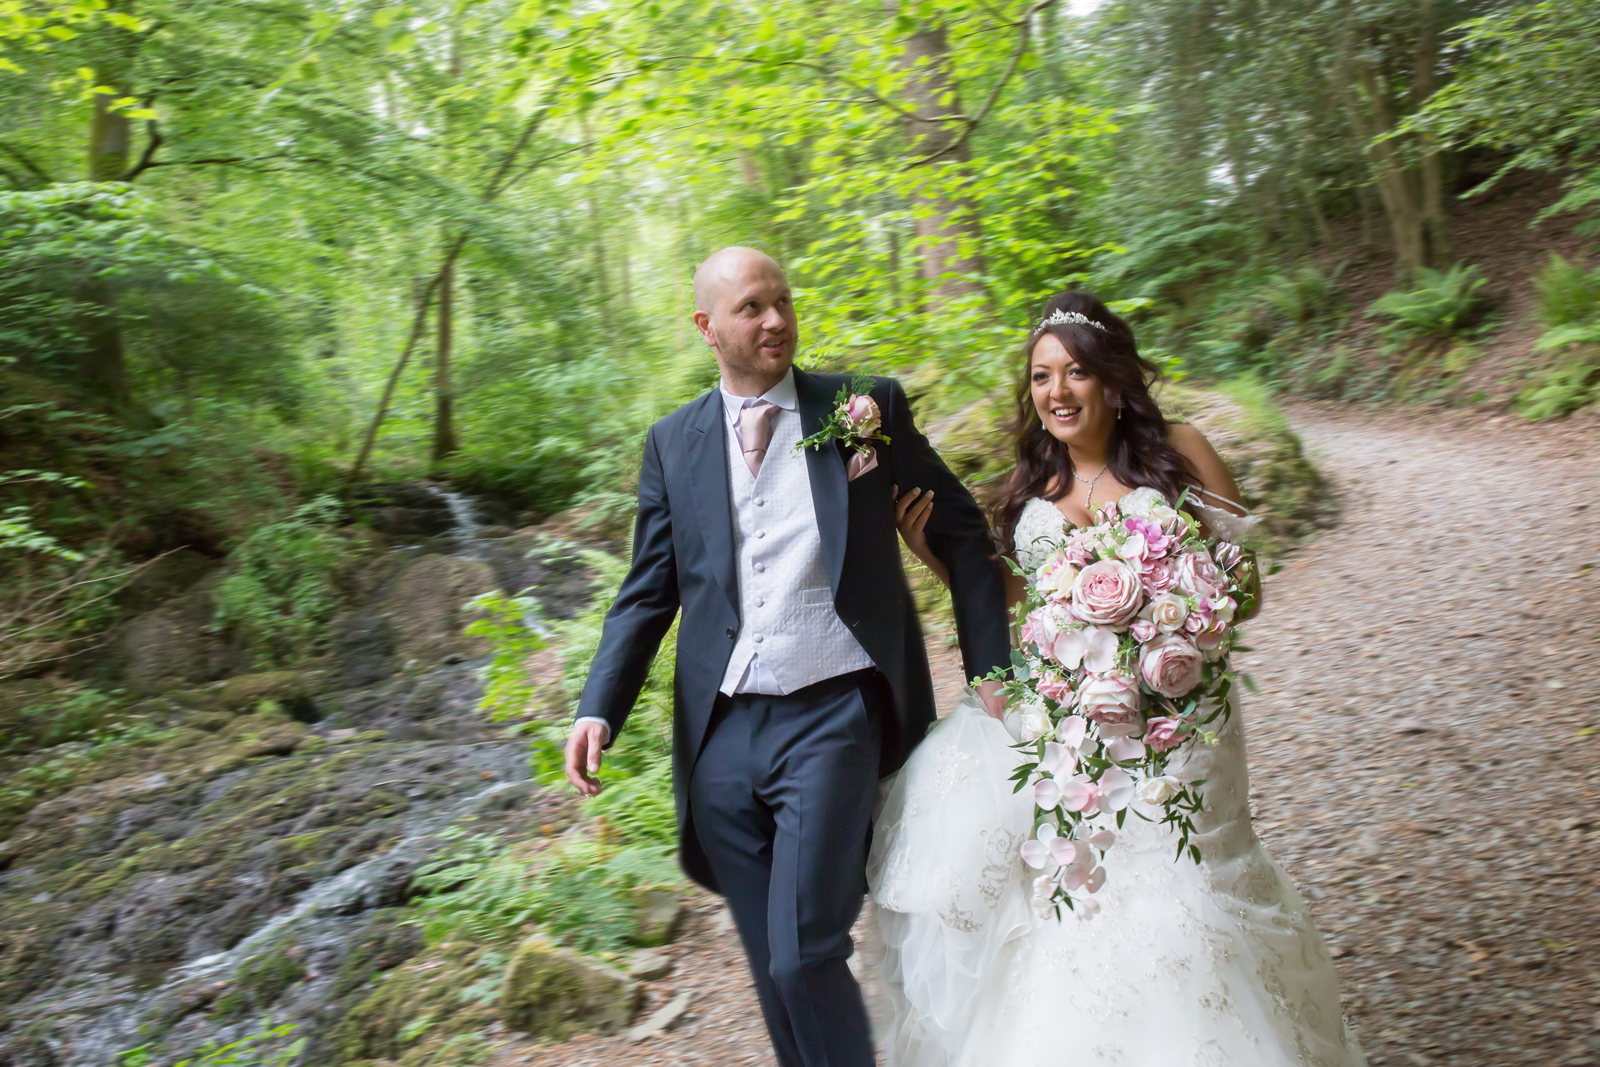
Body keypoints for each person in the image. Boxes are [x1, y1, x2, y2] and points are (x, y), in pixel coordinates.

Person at [873, 290, 1368, 1067]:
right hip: (1076, 740)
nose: (1057, 392)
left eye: (1075, 372)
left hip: (1178, 724)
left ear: (1113, 379)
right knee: (1085, 906)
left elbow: (1249, 589)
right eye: (1041, 377)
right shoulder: (1031, 486)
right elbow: (1012, 596)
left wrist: (1169, 615)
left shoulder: (1183, 449)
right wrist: (933, 555)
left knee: (1192, 895)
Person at [563, 246, 1011, 1067]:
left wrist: (991, 673)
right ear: (707, 327)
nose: (775, 319)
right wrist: (599, 705)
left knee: (804, 952)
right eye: (750, 308)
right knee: (774, 974)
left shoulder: (863, 408)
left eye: (783, 301)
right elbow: (648, 591)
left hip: (834, 712)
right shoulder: (673, 443)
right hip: (721, 736)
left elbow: (964, 535)